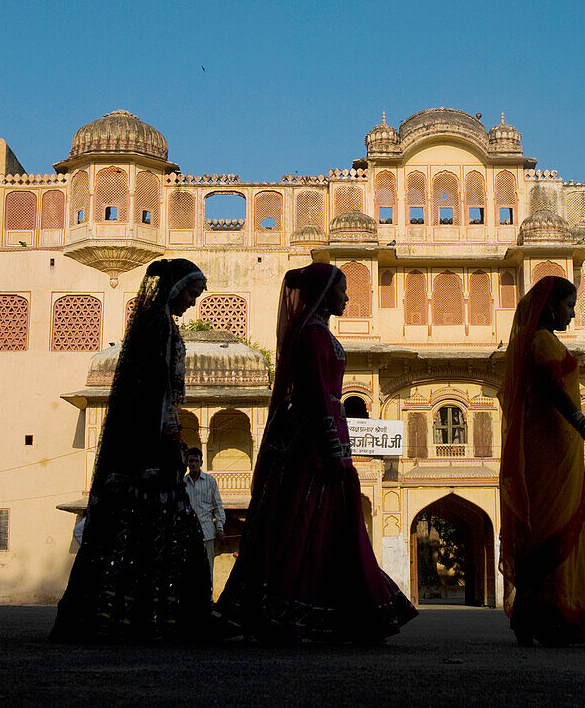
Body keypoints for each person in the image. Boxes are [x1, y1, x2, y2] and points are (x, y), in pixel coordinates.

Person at [217, 262, 417, 642]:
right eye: (342, 289)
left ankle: (315, 610)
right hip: (313, 443)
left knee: (319, 527)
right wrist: (332, 449)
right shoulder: (312, 334)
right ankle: (289, 611)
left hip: (324, 435)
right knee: (305, 525)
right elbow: (315, 396)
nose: (347, 296)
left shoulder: (317, 332)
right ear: (326, 294)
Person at [50, 259, 212, 643]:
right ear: (174, 288)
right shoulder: (156, 325)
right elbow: (151, 390)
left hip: (155, 437)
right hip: (150, 443)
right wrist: (166, 436)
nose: (192, 302)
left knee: (148, 525)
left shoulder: (160, 323)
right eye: (191, 293)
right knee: (150, 523)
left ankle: (134, 611)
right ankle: (149, 614)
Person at [498, 275, 585, 646]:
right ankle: (550, 614)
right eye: (569, 305)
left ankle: (542, 614)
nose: (573, 314)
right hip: (550, 449)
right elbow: (559, 397)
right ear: (549, 306)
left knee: (556, 526)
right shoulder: (541, 343)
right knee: (550, 528)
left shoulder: (542, 342)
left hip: (557, 449)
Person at [183, 447, 225, 580]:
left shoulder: (210, 481)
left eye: (196, 461)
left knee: (207, 571)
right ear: (187, 463)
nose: (193, 464)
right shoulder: (183, 483)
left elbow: (218, 506)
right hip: (187, 534)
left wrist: (219, 527)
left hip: (207, 533)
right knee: (189, 571)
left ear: (201, 462)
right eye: (190, 461)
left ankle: (208, 600)